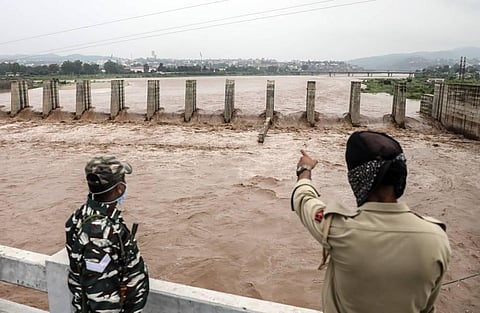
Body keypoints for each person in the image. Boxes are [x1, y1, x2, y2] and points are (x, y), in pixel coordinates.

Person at [291, 130, 450, 313]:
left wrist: (305, 170)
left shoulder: (337, 230)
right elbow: (428, 307)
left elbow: (303, 198)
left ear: (356, 180)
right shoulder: (437, 239)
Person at [65, 156, 149, 313]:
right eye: (123, 179)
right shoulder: (99, 235)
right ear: (120, 188)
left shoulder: (81, 215)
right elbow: (101, 295)